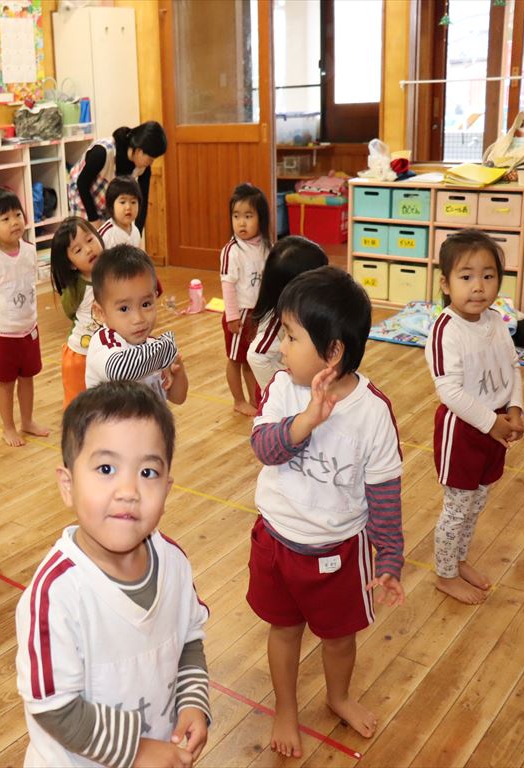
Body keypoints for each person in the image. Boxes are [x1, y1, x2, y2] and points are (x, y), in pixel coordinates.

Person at [249, 266, 405, 758]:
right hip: (276, 541)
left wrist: (390, 557)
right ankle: (286, 708)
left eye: (291, 336)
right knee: (284, 630)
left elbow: (384, 491)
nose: (281, 348)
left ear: (333, 352)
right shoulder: (282, 387)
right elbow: (264, 448)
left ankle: (338, 697)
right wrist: (306, 421)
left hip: (338, 552)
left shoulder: (373, 412)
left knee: (339, 639)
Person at [15, 381, 211, 768]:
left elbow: (189, 639)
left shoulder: (173, 562)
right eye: (106, 469)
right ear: (68, 485)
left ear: (167, 488)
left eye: (148, 472)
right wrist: (137, 750)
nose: (128, 490)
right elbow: (55, 707)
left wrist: (192, 702)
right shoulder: (56, 593)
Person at [426, 229, 524, 604]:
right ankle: (445, 574)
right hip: (463, 430)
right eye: (466, 276)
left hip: (495, 425)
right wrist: (492, 422)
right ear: (446, 284)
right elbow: (448, 391)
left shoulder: (495, 321)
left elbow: (512, 366)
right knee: (457, 507)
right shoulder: (445, 329)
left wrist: (514, 409)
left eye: (488, 275)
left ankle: (458, 559)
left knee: (478, 500)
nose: (478, 286)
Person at [0, 188, 48, 447]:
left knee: (28, 378)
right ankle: (8, 427)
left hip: (29, 329)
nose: (14, 222)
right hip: (3, 335)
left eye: (17, 215)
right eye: (5, 218)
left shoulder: (29, 250)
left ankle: (27, 421)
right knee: (6, 384)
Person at [85, 245, 188, 404]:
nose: (138, 318)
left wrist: (178, 372)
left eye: (146, 304)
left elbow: (178, 398)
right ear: (100, 312)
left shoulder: (152, 346)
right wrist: (164, 352)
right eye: (124, 309)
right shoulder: (104, 343)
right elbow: (119, 370)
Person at [247, 236, 328, 395]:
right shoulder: (278, 322)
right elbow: (256, 356)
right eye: (321, 274)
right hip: (286, 392)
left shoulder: (301, 309)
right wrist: (277, 392)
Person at [221, 183, 271, 416]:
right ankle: (238, 400)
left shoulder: (266, 246)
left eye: (248, 216)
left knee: (251, 359)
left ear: (261, 218)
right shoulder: (232, 250)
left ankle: (254, 399)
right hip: (239, 314)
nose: (241, 223)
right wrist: (232, 316)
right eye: (236, 216)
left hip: (258, 313)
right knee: (235, 359)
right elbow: (228, 284)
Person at [67, 122, 167, 232]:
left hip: (106, 203)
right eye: (150, 159)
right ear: (139, 151)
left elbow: (142, 201)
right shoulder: (103, 152)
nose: (151, 163)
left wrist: (137, 232)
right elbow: (82, 183)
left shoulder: (143, 168)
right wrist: (93, 218)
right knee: (87, 236)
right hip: (82, 197)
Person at [50, 217, 104, 408]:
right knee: (78, 407)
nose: (88, 249)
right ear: (71, 264)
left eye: (89, 240)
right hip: (80, 356)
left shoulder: (113, 274)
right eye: (78, 250)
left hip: (108, 354)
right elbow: (70, 312)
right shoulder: (75, 288)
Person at [97, 175, 143, 249]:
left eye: (133, 202)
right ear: (111, 205)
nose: (128, 207)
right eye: (122, 202)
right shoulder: (106, 234)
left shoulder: (135, 231)